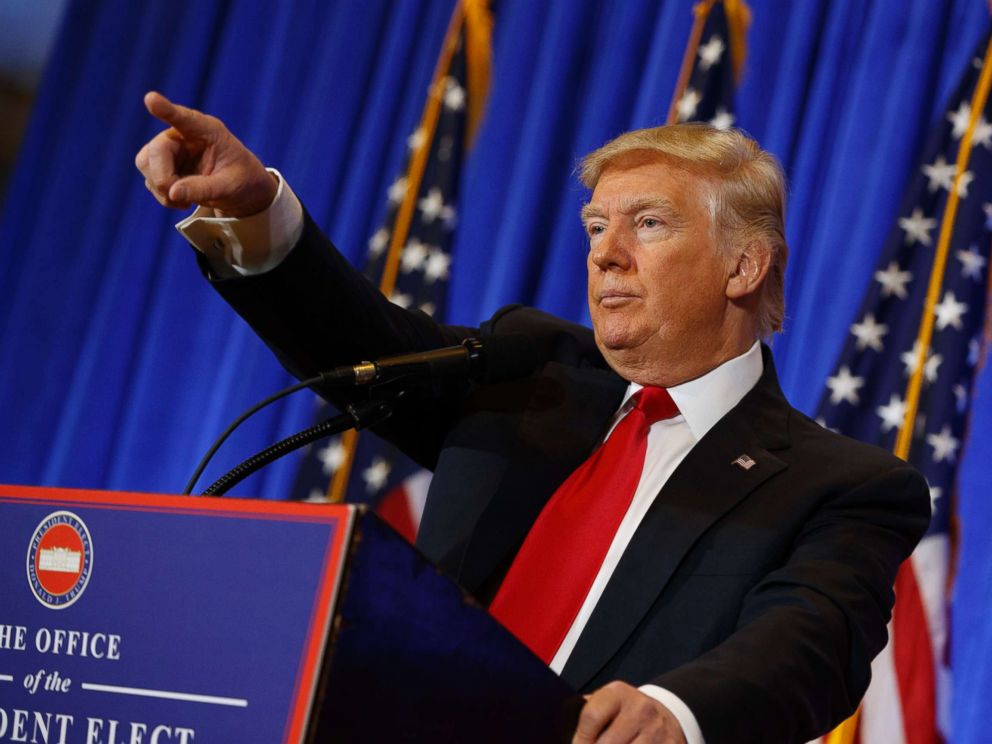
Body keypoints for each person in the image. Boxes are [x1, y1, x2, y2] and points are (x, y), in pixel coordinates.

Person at [136, 91, 931, 744]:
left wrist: (678, 713)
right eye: (595, 226)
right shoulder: (532, 372)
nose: (605, 253)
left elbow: (804, 647)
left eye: (647, 224)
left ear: (744, 265)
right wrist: (253, 212)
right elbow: (361, 342)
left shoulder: (842, 486)